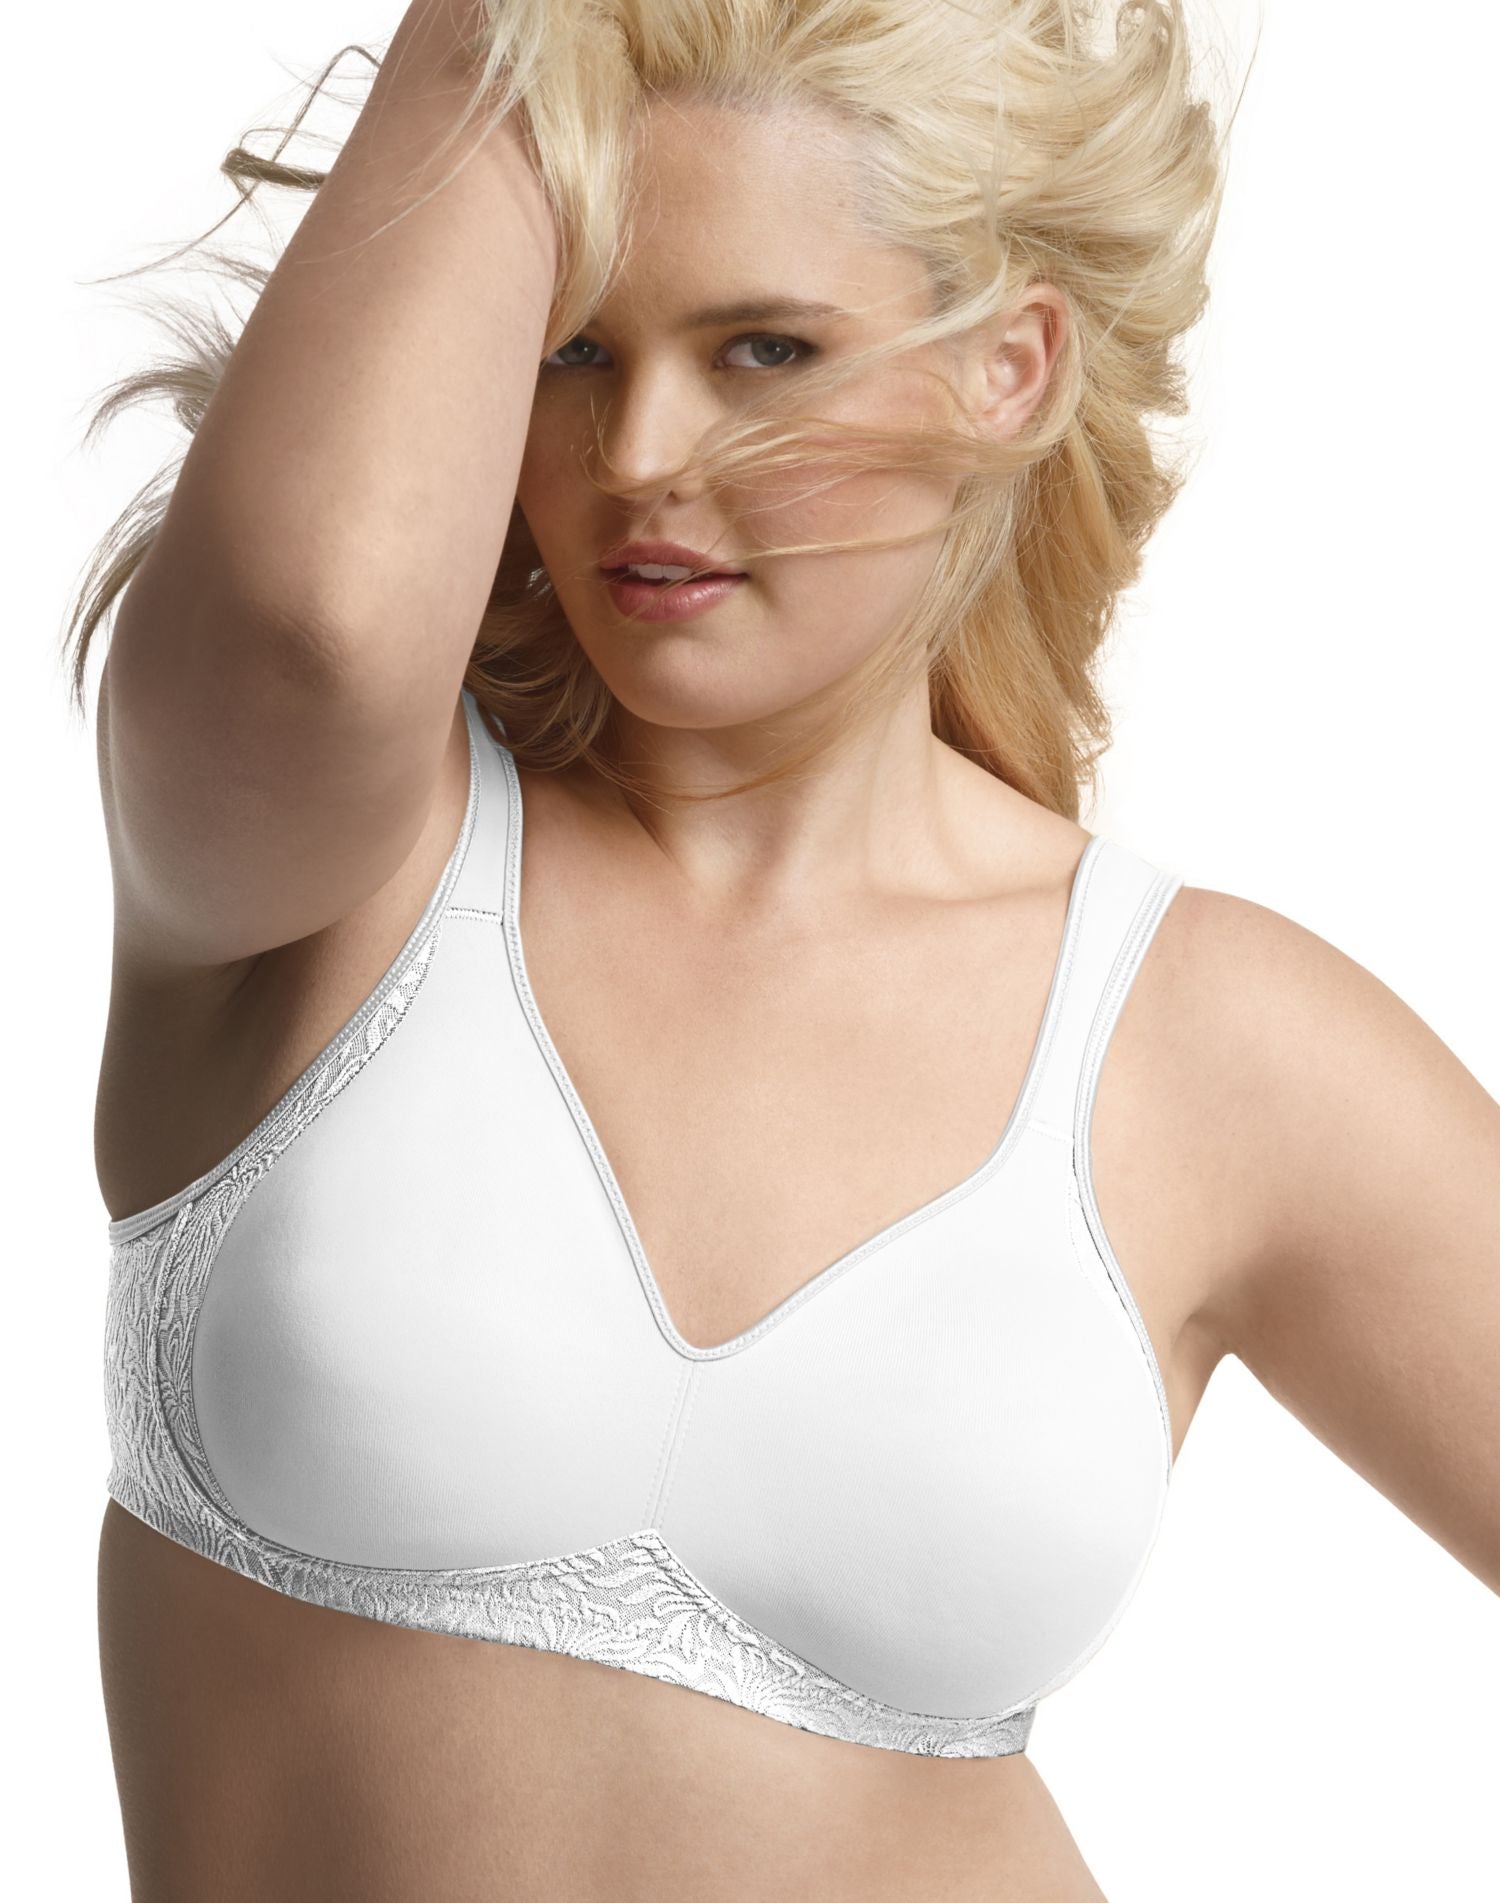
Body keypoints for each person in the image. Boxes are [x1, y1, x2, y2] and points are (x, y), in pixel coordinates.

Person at [73, 1, 1498, 1898]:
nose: (640, 452)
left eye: (763, 350)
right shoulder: (335, 874)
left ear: (1007, 369)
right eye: (575, 348)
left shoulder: (1206, 1047)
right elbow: (318, 619)